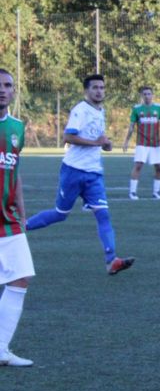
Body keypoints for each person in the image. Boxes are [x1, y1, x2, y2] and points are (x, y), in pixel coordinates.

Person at [24, 74, 134, 275]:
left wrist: (106, 144)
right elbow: (68, 137)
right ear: (87, 91)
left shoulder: (101, 111)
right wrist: (95, 143)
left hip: (93, 174)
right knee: (60, 214)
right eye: (95, 88)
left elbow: (98, 139)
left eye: (102, 87)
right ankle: (21, 227)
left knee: (103, 215)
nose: (99, 91)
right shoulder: (80, 110)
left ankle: (112, 261)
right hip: (73, 171)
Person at [0, 70, 36, 366]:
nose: (2, 90)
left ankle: (0, 348)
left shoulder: (16, 128)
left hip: (8, 220)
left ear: (14, 91)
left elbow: (15, 172)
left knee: (20, 278)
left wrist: (22, 215)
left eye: (7, 85)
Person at [122, 85, 160, 200]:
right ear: (141, 96)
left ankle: (156, 192)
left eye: (149, 94)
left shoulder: (159, 108)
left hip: (156, 143)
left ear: (152, 95)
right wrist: (126, 141)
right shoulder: (136, 109)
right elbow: (132, 126)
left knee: (159, 167)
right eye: (145, 94)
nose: (147, 96)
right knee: (138, 165)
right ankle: (132, 192)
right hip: (142, 143)